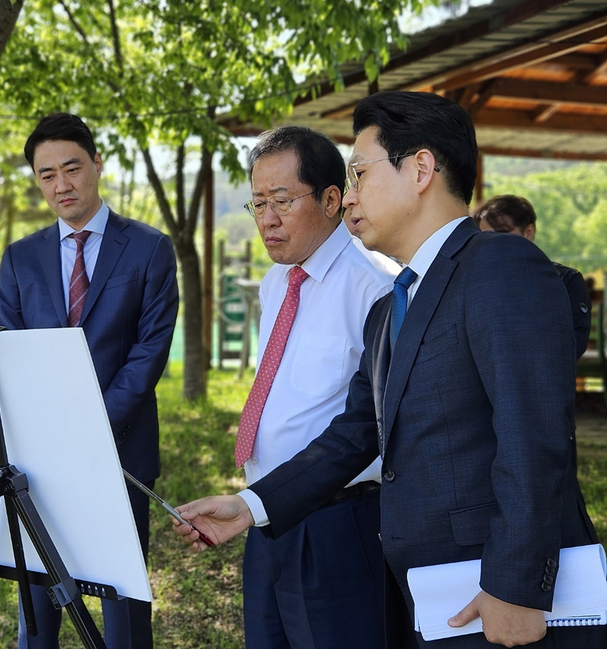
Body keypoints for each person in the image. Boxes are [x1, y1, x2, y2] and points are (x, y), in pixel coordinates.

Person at [174, 91, 603, 649]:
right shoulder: (393, 307)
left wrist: (517, 587)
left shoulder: (497, 264)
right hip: (430, 592)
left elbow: (534, 435)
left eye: (358, 174)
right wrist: (247, 506)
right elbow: (352, 437)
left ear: (420, 168)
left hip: (493, 594)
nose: (348, 199)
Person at [0, 112, 178, 649]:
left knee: (122, 604)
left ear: (97, 164)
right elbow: (10, 351)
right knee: (38, 598)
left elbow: (148, 353)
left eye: (71, 168)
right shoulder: (20, 257)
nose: (61, 185)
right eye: (46, 175)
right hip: (40, 456)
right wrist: (49, 430)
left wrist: (92, 426)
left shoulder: (148, 248)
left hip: (120, 449)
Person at [236, 126, 398, 649]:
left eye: (282, 200)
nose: (268, 218)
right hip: (266, 512)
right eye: (258, 203)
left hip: (339, 523)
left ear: (333, 199)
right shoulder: (275, 282)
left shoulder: (377, 288)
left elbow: (376, 424)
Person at [472, 194, 591, 360]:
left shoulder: (565, 281)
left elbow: (572, 345)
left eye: (502, 234)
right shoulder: (473, 283)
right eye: (485, 237)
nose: (493, 243)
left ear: (528, 232)